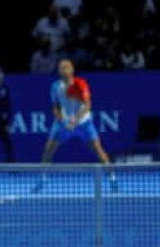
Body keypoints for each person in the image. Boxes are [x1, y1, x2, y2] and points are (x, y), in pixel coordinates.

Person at [34, 59, 116, 191]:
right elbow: (55, 107)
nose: (63, 70)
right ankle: (42, 179)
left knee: (98, 150)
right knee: (48, 150)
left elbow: (88, 105)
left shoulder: (80, 84)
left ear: (72, 70)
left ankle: (112, 178)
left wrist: (75, 120)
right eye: (61, 68)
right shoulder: (55, 86)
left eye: (66, 67)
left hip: (83, 123)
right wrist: (62, 121)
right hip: (63, 124)